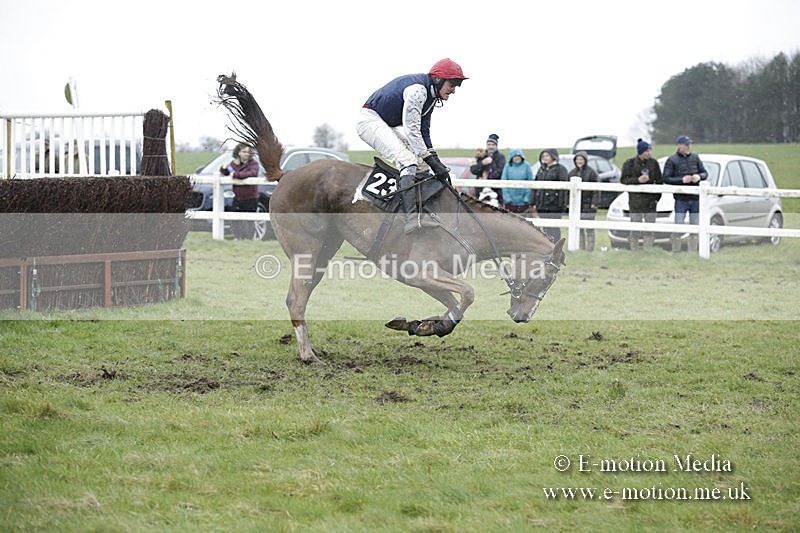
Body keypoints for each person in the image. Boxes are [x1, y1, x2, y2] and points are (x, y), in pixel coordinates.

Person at [356, 58, 468, 234]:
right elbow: (412, 130)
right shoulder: (418, 91)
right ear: (438, 79)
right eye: (452, 84)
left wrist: (436, 162)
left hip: (384, 123)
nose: (454, 90)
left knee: (422, 164)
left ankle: (422, 211)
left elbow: (424, 133)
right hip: (369, 121)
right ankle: (410, 219)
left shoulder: (431, 97)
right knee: (408, 161)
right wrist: (434, 162)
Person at [662, 135, 707, 253]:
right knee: (678, 226)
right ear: (679, 145)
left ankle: (692, 252)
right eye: (686, 144)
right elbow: (666, 178)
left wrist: (699, 177)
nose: (688, 147)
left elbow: (705, 173)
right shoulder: (672, 160)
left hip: (695, 198)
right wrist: (681, 180)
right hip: (681, 199)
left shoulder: (695, 158)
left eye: (689, 144)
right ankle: (676, 251)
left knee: (695, 226)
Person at [620, 139, 662, 250]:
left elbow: (659, 181)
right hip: (636, 200)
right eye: (647, 151)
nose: (649, 153)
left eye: (650, 150)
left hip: (651, 200)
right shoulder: (629, 163)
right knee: (635, 226)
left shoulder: (654, 163)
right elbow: (624, 180)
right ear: (641, 151)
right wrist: (638, 180)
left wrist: (657, 198)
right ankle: (634, 250)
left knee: (650, 227)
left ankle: (647, 250)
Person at [220, 143, 260, 240]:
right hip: (238, 197)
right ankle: (238, 238)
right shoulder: (234, 164)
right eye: (244, 151)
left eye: (248, 152)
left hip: (251, 197)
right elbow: (226, 172)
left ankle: (249, 239)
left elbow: (252, 173)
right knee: (235, 219)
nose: (246, 154)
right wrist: (223, 168)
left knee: (249, 220)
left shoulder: (253, 163)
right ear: (238, 153)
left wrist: (236, 175)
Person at [532, 148, 568, 243]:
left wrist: (563, 204)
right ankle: (547, 246)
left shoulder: (560, 169)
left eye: (547, 155)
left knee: (554, 227)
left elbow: (564, 188)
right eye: (543, 156)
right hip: (542, 204)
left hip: (554, 205)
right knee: (545, 227)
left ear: (553, 156)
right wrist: (533, 201)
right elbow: (535, 186)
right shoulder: (541, 170)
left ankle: (555, 245)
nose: (545, 158)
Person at [568, 151, 600, 251]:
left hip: (589, 205)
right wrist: (568, 202)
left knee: (589, 228)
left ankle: (590, 249)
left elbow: (596, 189)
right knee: (578, 229)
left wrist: (595, 203)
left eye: (581, 159)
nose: (579, 161)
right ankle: (580, 248)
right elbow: (568, 190)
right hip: (577, 205)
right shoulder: (572, 173)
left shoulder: (592, 172)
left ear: (585, 160)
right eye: (577, 159)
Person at [470, 133, 506, 204]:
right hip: (480, 190)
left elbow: (500, 172)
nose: (491, 147)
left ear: (496, 146)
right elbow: (473, 170)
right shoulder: (481, 155)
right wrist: (483, 163)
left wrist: (487, 178)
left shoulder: (501, 157)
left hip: (495, 190)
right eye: (489, 145)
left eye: (493, 145)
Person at [500, 149, 533, 214]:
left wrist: (526, 198)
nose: (517, 158)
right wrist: (507, 198)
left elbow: (530, 182)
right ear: (511, 157)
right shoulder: (507, 166)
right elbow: (503, 181)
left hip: (523, 201)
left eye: (518, 156)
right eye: (514, 156)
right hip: (510, 201)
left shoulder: (527, 166)